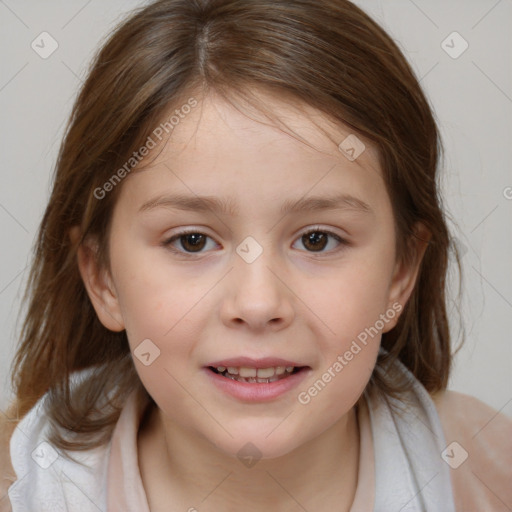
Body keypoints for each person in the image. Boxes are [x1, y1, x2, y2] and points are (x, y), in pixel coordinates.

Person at [1, 0, 511, 510]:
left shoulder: (490, 475)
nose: (259, 302)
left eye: (317, 239)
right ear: (102, 278)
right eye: (192, 241)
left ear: (400, 273)